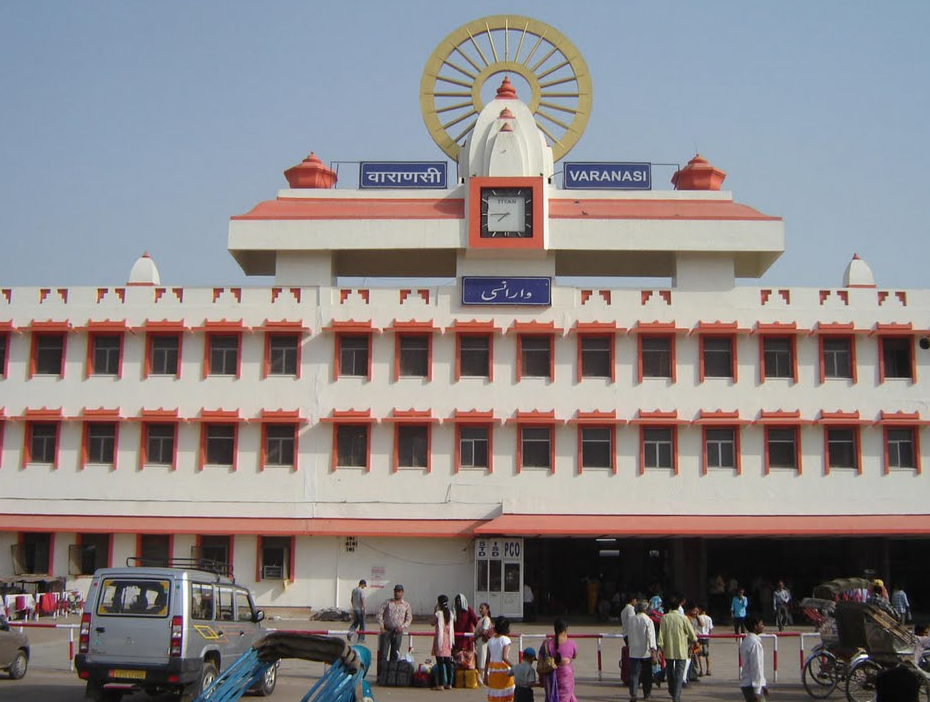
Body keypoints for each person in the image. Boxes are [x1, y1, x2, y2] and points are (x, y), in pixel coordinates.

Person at [657, 595, 697, 702]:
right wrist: (695, 642)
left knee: (670, 672)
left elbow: (661, 635)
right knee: (679, 674)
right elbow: (692, 635)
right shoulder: (683, 618)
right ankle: (676, 696)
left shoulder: (665, 618)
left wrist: (659, 648)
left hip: (669, 650)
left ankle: (672, 690)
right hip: (681, 650)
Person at [539, 618, 578, 702]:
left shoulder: (546, 644)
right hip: (566, 678)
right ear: (565, 630)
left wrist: (540, 678)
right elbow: (574, 656)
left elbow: (540, 662)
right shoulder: (572, 643)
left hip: (550, 679)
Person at [377, 584, 412, 670]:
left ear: (402, 593)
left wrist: (402, 626)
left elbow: (409, 619)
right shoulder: (388, 603)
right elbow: (379, 613)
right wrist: (382, 626)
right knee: (383, 654)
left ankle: (391, 675)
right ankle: (381, 675)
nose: (397, 593)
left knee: (395, 654)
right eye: (396, 591)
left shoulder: (406, 605)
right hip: (387, 630)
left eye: (399, 591)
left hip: (398, 632)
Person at [626, 601, 657, 702]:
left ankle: (633, 694)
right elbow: (651, 637)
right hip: (646, 652)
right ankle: (646, 693)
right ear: (645, 609)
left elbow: (627, 634)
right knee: (647, 674)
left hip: (634, 651)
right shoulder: (648, 620)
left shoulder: (631, 620)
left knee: (634, 674)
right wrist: (653, 651)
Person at [484, 615, 515, 702]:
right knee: (506, 696)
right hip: (504, 670)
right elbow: (504, 657)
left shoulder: (490, 641)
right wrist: (515, 667)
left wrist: (485, 675)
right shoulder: (506, 640)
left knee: (496, 695)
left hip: (493, 670)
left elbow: (487, 660)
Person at [738, 615, 768, 701]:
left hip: (747, 683)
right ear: (755, 626)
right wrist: (757, 690)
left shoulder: (746, 641)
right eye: (761, 624)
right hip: (752, 685)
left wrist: (763, 684)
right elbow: (756, 667)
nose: (763, 626)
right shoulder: (755, 644)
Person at [432, 594, 455, 690]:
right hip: (448, 639)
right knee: (448, 662)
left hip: (440, 640)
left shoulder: (438, 614)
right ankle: (449, 684)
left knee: (440, 662)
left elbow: (432, 623)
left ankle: (440, 684)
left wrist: (434, 611)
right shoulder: (450, 613)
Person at [453, 593, 478, 667]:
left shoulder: (469, 610)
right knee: (457, 658)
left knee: (467, 658)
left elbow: (476, 622)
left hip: (466, 639)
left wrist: (478, 634)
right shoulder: (454, 611)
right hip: (456, 638)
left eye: (460, 601)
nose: (458, 603)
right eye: (457, 601)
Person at [475, 602, 494, 682]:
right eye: (480, 608)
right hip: (479, 643)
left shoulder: (486, 619)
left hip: (483, 643)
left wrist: (475, 636)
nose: (480, 610)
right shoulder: (481, 619)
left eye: (482, 608)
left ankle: (484, 678)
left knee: (483, 659)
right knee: (480, 659)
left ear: (487, 610)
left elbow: (484, 631)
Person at [694, 604, 713, 676]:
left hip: (699, 637)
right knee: (707, 654)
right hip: (706, 637)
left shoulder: (698, 618)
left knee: (699, 655)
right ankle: (708, 669)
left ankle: (701, 670)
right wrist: (709, 636)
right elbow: (710, 629)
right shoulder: (709, 618)